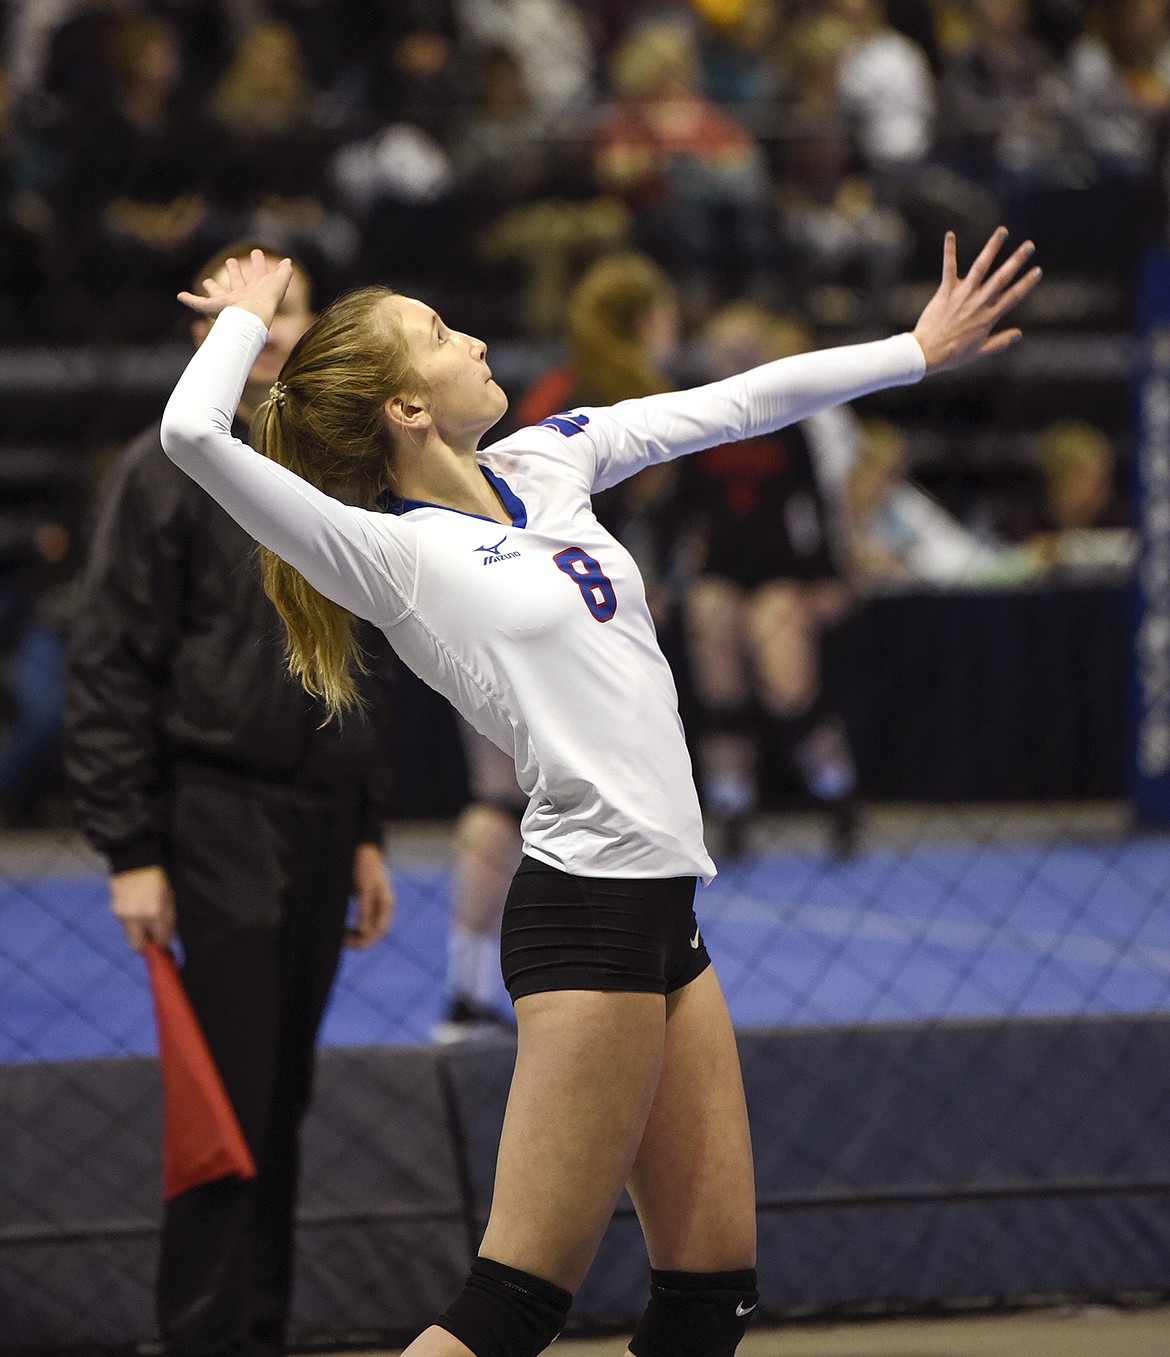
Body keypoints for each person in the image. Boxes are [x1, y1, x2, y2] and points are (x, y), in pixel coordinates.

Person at [158, 225, 1038, 1357]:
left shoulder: (548, 458)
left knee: (710, 1294)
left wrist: (911, 350)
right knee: (512, 1303)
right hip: (589, 910)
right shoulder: (385, 553)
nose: (472, 337)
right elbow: (192, 431)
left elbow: (731, 403)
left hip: (664, 912)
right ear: (405, 411)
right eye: (436, 334)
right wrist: (245, 309)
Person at [63, 242, 395, 1357]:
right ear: (213, 327)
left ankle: (259, 1327)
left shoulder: (335, 469)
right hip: (214, 814)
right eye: (258, 311)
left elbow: (352, 665)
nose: (280, 327)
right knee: (227, 1106)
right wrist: (130, 848)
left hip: (314, 817)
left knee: (283, 1100)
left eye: (294, 308)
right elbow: (110, 661)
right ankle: (203, 1335)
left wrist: (363, 830)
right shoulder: (159, 473)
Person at [436, 253, 680, 1039]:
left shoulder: (551, 393)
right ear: (647, 320)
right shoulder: (626, 398)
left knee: (505, 803)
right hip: (553, 626)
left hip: (486, 601)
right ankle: (580, 986)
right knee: (555, 807)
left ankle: (470, 986)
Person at [680, 304, 860, 861]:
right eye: (726, 351)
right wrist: (655, 577)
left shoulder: (788, 421)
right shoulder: (694, 418)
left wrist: (834, 578)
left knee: (788, 685)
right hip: (721, 572)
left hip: (781, 571)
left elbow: (821, 508)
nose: (736, 360)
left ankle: (838, 795)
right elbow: (674, 511)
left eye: (747, 350)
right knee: (716, 656)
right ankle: (731, 805)